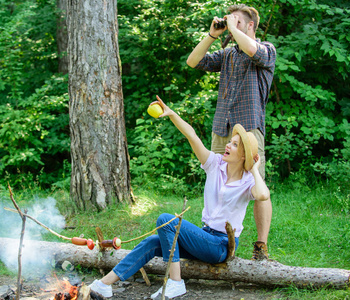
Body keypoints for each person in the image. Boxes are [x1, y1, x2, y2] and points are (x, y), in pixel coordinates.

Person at [89, 96, 270, 299]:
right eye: (230, 142)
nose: (228, 145)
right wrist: (172, 114)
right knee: (151, 243)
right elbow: (192, 136)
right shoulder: (215, 165)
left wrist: (254, 169)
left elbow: (263, 195)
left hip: (219, 246)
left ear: (244, 156)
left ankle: (175, 282)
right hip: (203, 236)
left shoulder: (248, 182)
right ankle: (104, 285)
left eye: (235, 145)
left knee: (166, 220)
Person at [186, 3, 276, 260]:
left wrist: (235, 27)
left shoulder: (266, 50)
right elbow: (193, 61)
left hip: (248, 130)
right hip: (221, 129)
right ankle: (213, 236)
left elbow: (250, 48)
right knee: (217, 181)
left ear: (249, 26)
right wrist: (213, 34)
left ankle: (261, 246)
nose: (229, 25)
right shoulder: (226, 55)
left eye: (235, 21)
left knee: (257, 187)